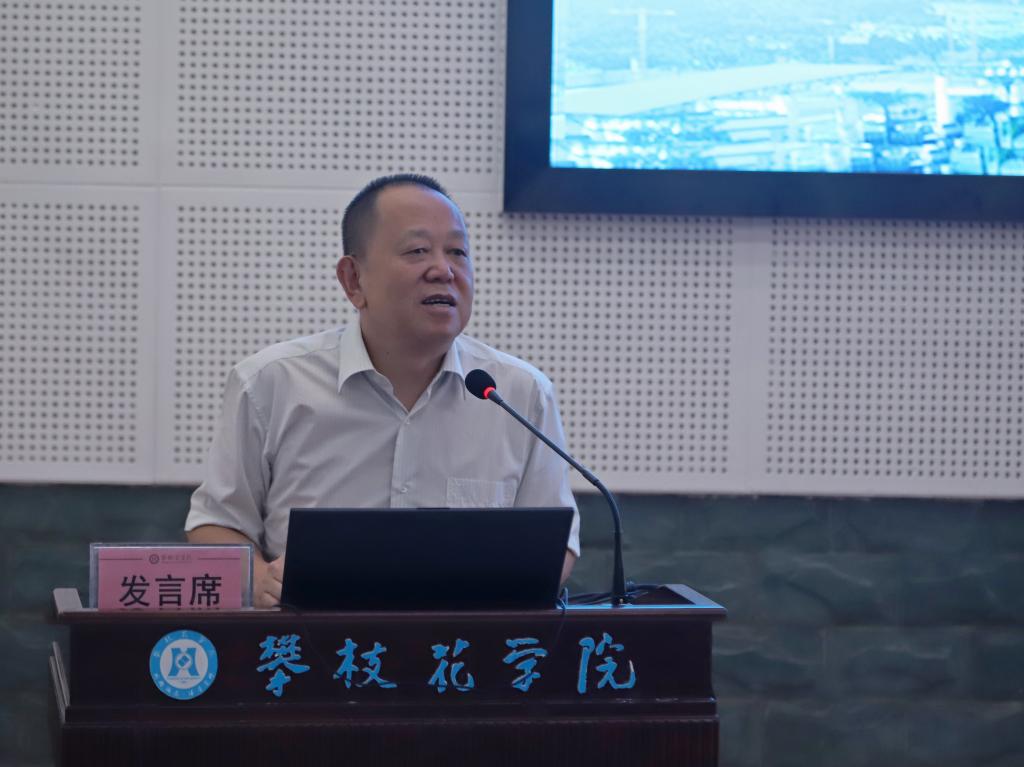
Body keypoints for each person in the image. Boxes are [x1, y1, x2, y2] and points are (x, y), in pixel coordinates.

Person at [185, 174, 580, 607]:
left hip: (463, 645)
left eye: (457, 252)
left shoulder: (520, 394)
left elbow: (556, 544)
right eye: (417, 251)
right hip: (309, 640)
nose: (443, 270)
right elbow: (216, 523)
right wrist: (260, 578)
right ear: (353, 280)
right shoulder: (270, 383)